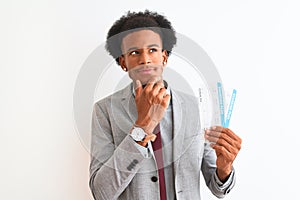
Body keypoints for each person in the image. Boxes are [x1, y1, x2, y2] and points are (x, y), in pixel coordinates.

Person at [89, 10, 242, 200]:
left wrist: (225, 167)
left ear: (164, 57)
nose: (145, 59)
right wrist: (142, 127)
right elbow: (102, 193)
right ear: (123, 62)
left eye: (152, 50)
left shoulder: (197, 108)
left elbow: (218, 189)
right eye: (134, 52)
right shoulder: (104, 111)